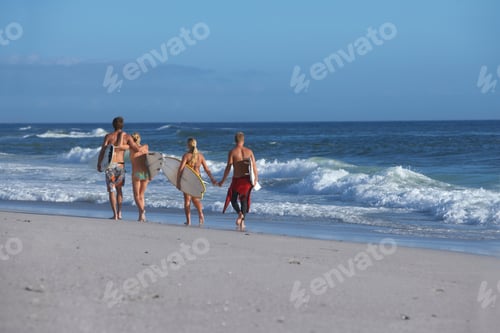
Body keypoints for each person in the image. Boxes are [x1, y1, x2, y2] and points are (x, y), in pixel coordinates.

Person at [97, 116, 143, 220]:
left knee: (111, 190)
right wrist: (132, 145)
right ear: (122, 125)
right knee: (119, 190)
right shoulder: (127, 137)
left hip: (110, 165)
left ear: (113, 125)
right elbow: (136, 149)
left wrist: (99, 164)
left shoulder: (108, 136)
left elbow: (103, 151)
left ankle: (115, 215)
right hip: (120, 165)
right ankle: (120, 212)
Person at [218, 132, 258, 230]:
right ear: (243, 140)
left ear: (235, 140)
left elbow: (228, 167)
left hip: (236, 180)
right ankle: (242, 221)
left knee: (233, 199)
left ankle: (240, 214)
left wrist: (222, 180)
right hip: (247, 180)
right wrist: (256, 178)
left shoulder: (232, 152)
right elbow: (254, 167)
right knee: (244, 200)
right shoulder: (249, 151)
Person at [177, 137, 217, 226]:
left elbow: (180, 169)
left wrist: (178, 181)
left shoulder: (186, 156)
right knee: (196, 200)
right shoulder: (201, 156)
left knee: (187, 201)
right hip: (198, 179)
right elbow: (207, 169)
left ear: (188, 145)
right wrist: (212, 179)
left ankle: (188, 221)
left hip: (187, 179)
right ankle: (201, 214)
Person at [129, 132, 149, 222]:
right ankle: (142, 216)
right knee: (141, 195)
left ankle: (142, 211)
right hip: (145, 173)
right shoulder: (145, 147)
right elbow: (149, 162)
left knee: (136, 195)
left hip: (136, 173)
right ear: (139, 138)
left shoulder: (131, 149)